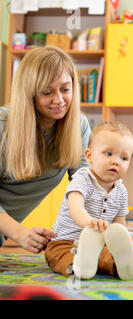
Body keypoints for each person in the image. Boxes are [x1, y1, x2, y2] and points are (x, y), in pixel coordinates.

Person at [0, 46, 91, 253]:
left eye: (65, 89)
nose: (59, 100)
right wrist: (20, 233)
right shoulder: (2, 126)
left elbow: (85, 183)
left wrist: (104, 230)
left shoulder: (79, 126)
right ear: (30, 93)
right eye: (47, 92)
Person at [44, 121, 133, 280]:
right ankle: (78, 265)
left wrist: (124, 248)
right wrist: (90, 222)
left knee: (108, 256)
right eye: (108, 154)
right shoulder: (82, 178)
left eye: (124, 158)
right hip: (65, 241)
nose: (116, 161)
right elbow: (75, 208)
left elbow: (119, 227)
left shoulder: (121, 191)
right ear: (89, 156)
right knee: (59, 256)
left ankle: (125, 265)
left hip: (98, 245)